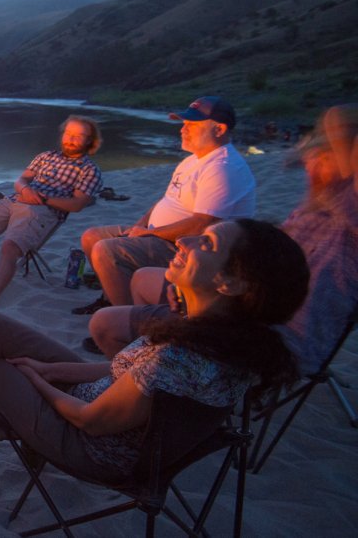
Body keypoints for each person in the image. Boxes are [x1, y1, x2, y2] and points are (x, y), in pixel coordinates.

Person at [0, 219, 306, 492]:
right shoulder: (225, 336)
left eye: (204, 244)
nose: (183, 241)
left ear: (232, 283)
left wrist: (35, 380)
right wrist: (48, 367)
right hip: (103, 397)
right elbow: (125, 373)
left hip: (89, 446)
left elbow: (90, 420)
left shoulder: (185, 358)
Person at [86, 105, 358, 372]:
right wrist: (190, 286)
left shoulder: (350, 224)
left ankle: (148, 377)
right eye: (313, 157)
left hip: (274, 334)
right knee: (143, 278)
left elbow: (337, 118)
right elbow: (256, 262)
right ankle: (145, 367)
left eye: (325, 157)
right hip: (242, 304)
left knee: (106, 320)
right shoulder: (308, 213)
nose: (311, 165)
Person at [73, 96, 256, 314]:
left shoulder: (223, 167)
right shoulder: (194, 160)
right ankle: (111, 297)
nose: (182, 130)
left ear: (219, 129)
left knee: (106, 250)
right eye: (183, 124)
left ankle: (126, 318)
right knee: (92, 237)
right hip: (160, 236)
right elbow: (167, 200)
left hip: (189, 249)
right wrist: (139, 228)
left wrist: (152, 234)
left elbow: (203, 225)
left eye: (191, 125)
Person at [0, 115, 104, 306]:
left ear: (90, 141)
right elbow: (20, 181)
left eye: (79, 135)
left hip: (43, 211)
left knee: (9, 246)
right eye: (68, 133)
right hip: (16, 199)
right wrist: (26, 190)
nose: (71, 139)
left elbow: (77, 205)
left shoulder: (89, 170)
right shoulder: (45, 156)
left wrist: (41, 198)